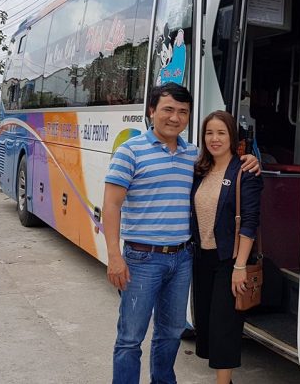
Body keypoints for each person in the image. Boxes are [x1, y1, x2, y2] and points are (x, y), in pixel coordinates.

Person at [102, 83, 259, 384]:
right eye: (168, 110)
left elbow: (225, 170)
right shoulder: (130, 151)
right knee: (131, 337)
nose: (175, 118)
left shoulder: (194, 156)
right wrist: (114, 256)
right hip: (141, 259)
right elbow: (111, 205)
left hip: (183, 258)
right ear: (152, 111)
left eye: (183, 112)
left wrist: (250, 160)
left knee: (171, 332)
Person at [190, 111, 263, 384]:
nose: (215, 139)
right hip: (202, 258)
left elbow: (250, 222)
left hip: (229, 261)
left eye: (221, 133)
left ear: (232, 136)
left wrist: (240, 266)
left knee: (225, 326)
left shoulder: (245, 171)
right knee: (206, 323)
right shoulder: (200, 170)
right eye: (209, 133)